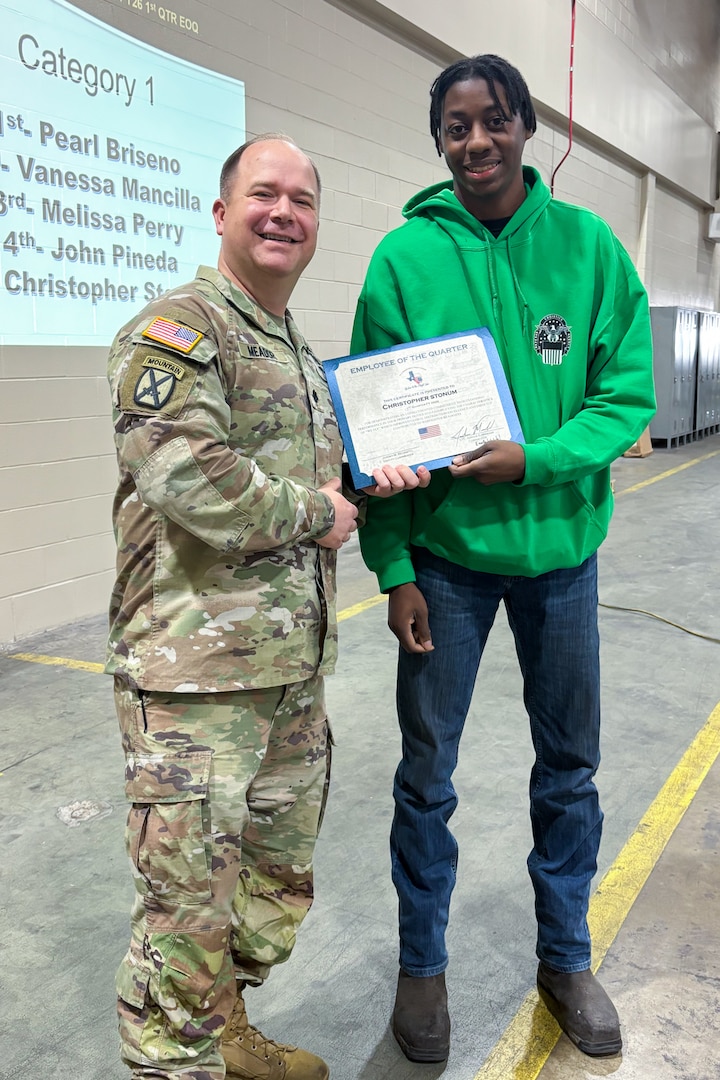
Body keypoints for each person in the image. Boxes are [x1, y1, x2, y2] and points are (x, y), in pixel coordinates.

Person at [351, 55, 656, 1063]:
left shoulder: (591, 247)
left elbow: (627, 398)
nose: (474, 142)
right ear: (437, 141)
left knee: (569, 767)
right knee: (425, 775)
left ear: (526, 125)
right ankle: (422, 967)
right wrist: (394, 569)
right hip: (445, 564)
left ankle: (566, 956)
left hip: (562, 560)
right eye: (454, 127)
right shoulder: (403, 260)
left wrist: (537, 460)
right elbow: (374, 445)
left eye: (492, 121)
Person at [106, 133, 427, 1080]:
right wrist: (315, 512)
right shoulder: (178, 329)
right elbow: (182, 474)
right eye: (263, 193)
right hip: (195, 680)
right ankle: (176, 1062)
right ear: (220, 213)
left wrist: (386, 475)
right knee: (186, 903)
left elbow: (336, 487)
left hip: (290, 676)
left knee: (265, 889)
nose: (284, 211)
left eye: (303, 199)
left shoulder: (300, 352)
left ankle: (222, 1031)